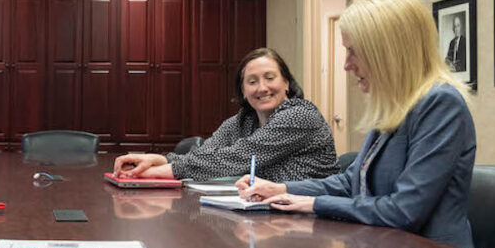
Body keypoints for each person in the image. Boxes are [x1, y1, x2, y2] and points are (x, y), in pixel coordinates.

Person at [239, 0, 476, 248]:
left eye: (354, 51)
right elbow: (351, 182)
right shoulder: (395, 105)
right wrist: (280, 188)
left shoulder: (440, 103)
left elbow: (405, 210)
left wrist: (315, 204)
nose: (347, 64)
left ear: (386, 52)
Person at [113, 48, 339, 182]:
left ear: (287, 83)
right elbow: (207, 154)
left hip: (310, 222)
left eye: (270, 78)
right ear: (242, 90)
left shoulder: (300, 116)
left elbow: (237, 158)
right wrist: (160, 159)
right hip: (264, 214)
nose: (262, 88)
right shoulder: (242, 120)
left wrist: (155, 173)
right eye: (252, 82)